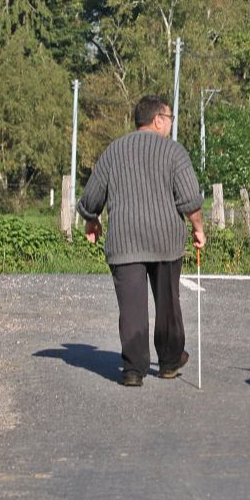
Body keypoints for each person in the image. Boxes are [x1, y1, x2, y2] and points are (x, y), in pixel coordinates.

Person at [78, 95, 206, 387]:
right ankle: (170, 362)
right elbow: (189, 198)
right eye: (170, 119)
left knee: (132, 307)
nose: (171, 125)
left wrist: (91, 218)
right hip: (165, 240)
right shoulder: (174, 152)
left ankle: (134, 370)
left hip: (124, 241)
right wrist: (198, 228)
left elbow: (93, 195)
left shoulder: (114, 151)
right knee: (168, 303)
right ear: (158, 119)